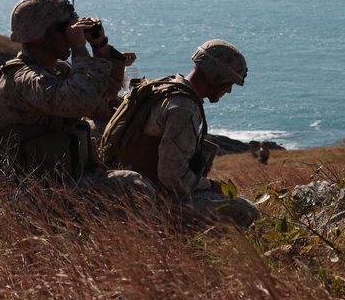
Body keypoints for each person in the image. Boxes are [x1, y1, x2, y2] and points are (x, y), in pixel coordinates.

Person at [0, 0, 154, 210]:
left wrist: (100, 46)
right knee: (134, 187)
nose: (72, 35)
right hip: (21, 188)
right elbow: (81, 101)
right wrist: (79, 49)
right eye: (65, 29)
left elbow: (102, 95)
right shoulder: (23, 78)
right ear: (40, 36)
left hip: (44, 180)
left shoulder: (56, 70)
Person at [99, 39, 261, 228]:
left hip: (126, 187)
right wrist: (211, 186)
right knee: (244, 210)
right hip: (151, 199)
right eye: (228, 82)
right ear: (216, 76)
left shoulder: (165, 86)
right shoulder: (183, 108)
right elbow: (172, 177)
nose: (229, 90)